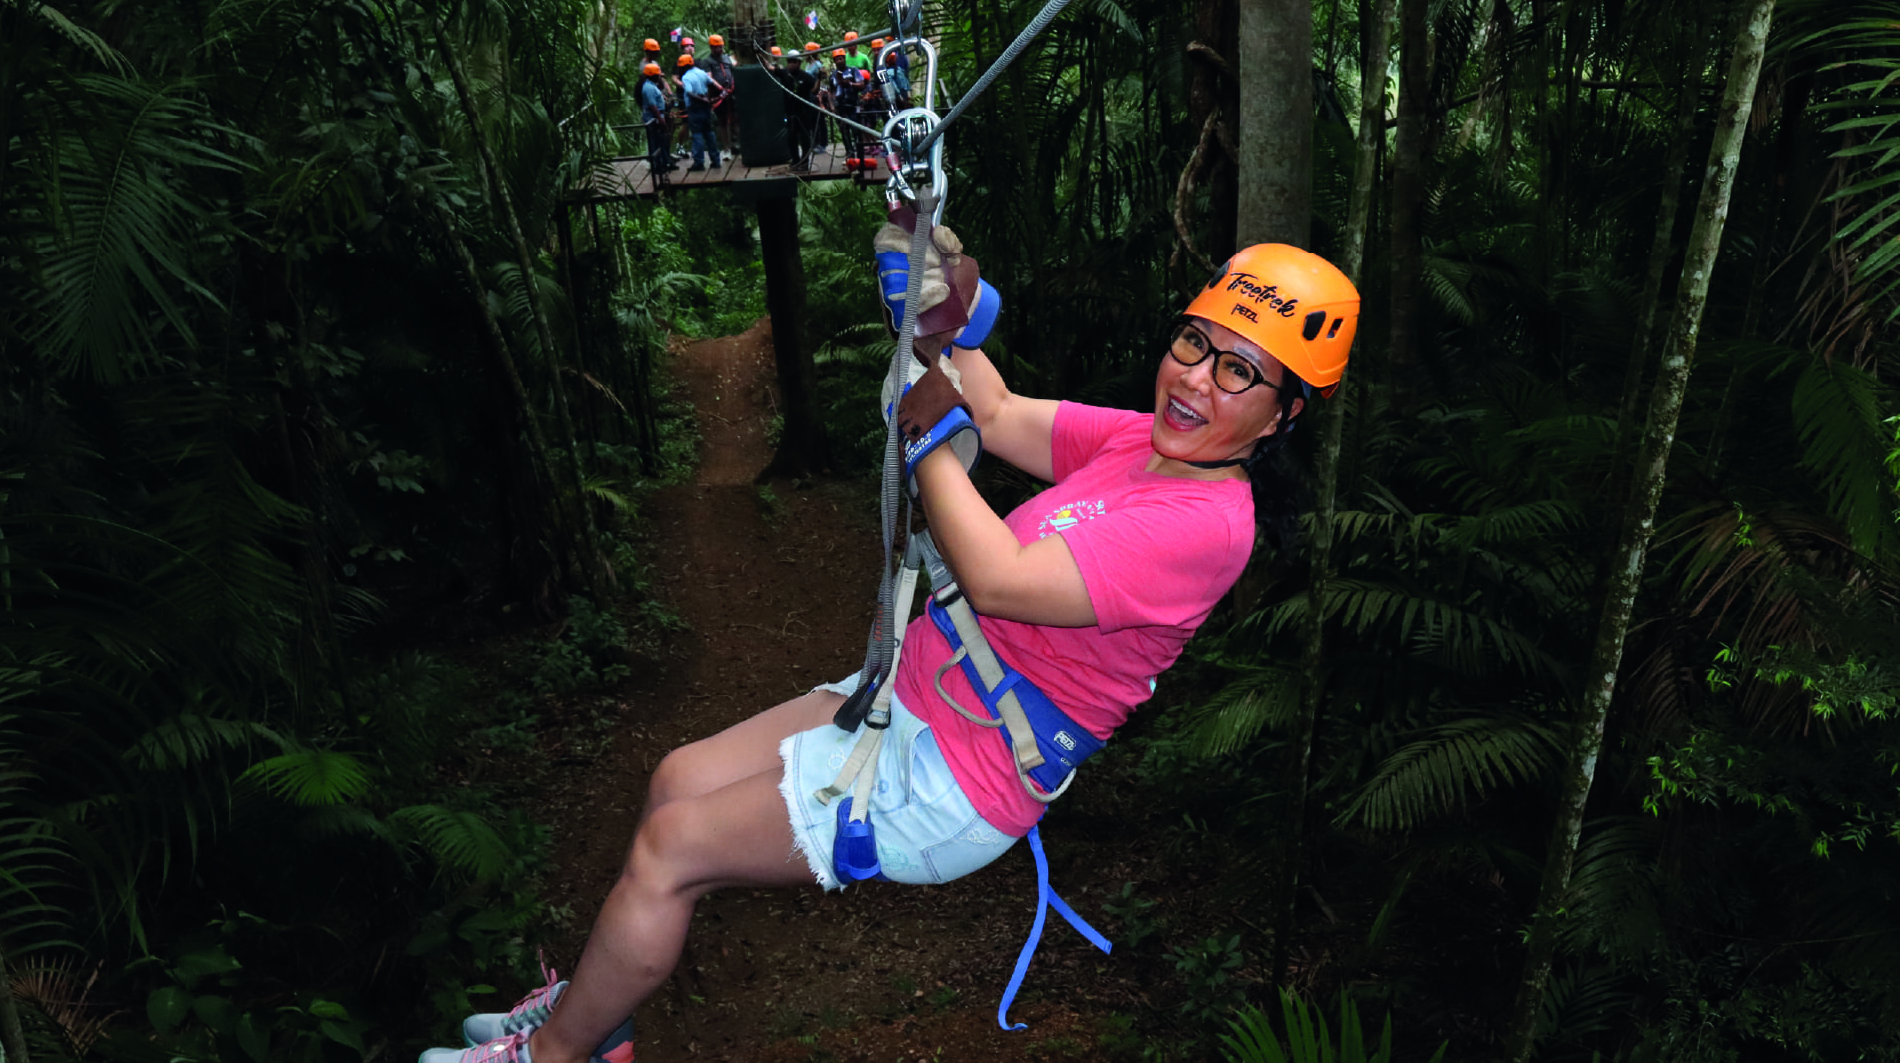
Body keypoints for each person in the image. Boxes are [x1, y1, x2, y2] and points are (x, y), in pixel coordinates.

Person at [414, 234, 1360, 1063]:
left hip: (960, 767)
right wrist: (943, 318)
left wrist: (925, 424)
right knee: (675, 781)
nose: (1195, 379)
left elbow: (997, 578)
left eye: (1240, 371)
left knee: (672, 848)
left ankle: (556, 1054)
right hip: (916, 693)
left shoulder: (1206, 524)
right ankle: (594, 1014)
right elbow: (1001, 414)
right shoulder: (1141, 446)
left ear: (1285, 415)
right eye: (1194, 343)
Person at [677, 54, 721, 170]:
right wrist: (709, 98)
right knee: (709, 133)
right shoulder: (702, 73)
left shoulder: (686, 77)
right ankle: (716, 161)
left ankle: (699, 163)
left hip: (695, 108)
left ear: (685, 66)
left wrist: (701, 99)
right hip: (706, 107)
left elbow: (690, 92)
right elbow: (712, 84)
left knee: (697, 135)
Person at [701, 34, 735, 161]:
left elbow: (733, 71)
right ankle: (726, 148)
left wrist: (732, 86)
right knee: (723, 121)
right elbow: (709, 77)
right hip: (718, 95)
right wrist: (720, 89)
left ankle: (736, 144)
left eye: (720, 47)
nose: (719, 49)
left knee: (735, 118)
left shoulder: (727, 58)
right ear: (711, 47)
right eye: (716, 47)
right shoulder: (707, 61)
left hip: (731, 92)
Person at [780, 50, 816, 170]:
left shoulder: (806, 77)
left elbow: (814, 90)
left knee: (805, 139)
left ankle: (805, 163)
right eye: (789, 61)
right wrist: (759, 54)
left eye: (794, 61)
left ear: (799, 63)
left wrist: (819, 79)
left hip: (804, 113)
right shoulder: (785, 74)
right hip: (790, 114)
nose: (791, 64)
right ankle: (795, 161)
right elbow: (769, 68)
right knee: (791, 139)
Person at [637, 63, 673, 176]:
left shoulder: (652, 86)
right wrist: (660, 119)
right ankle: (657, 166)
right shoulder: (648, 88)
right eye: (657, 76)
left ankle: (663, 163)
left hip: (657, 116)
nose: (659, 78)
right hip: (653, 118)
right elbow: (652, 106)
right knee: (655, 142)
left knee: (660, 141)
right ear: (652, 76)